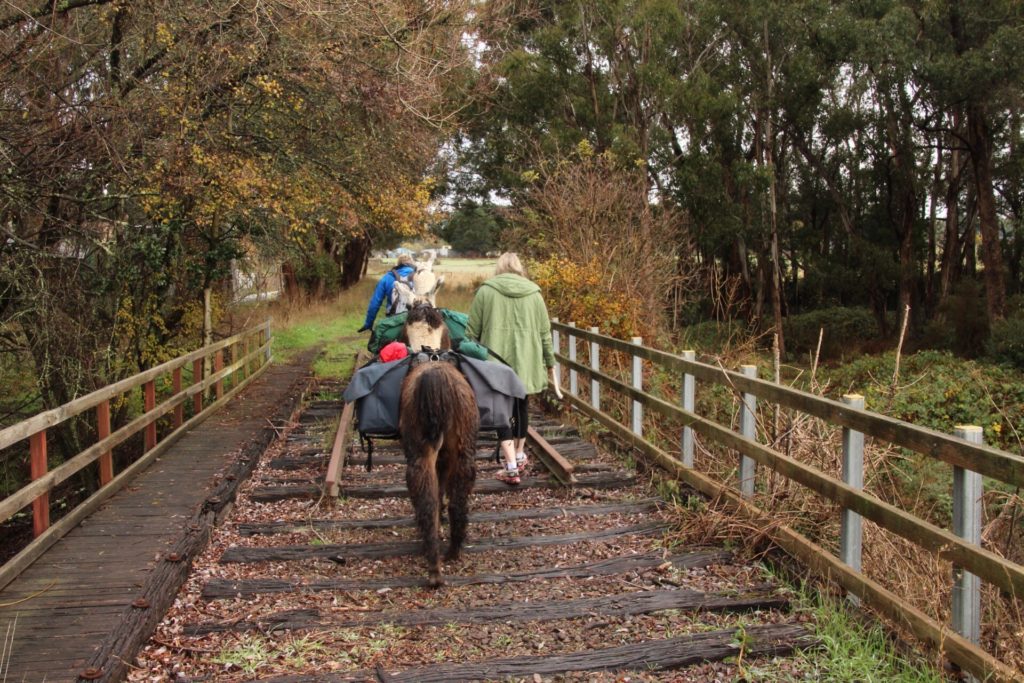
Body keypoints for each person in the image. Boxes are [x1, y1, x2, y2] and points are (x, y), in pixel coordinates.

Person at [467, 252, 561, 485]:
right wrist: (550, 362)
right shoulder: (535, 294)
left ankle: (510, 466)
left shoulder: (485, 292)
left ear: (498, 268)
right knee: (521, 406)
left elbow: (471, 333)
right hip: (526, 361)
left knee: (501, 411)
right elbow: (544, 335)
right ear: (520, 268)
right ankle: (519, 454)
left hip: (495, 363)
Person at [358, 254, 416, 332]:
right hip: (414, 320)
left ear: (398, 264)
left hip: (393, 320)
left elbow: (375, 303)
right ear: (412, 263)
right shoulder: (418, 276)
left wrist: (369, 323)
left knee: (378, 341)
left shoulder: (387, 277)